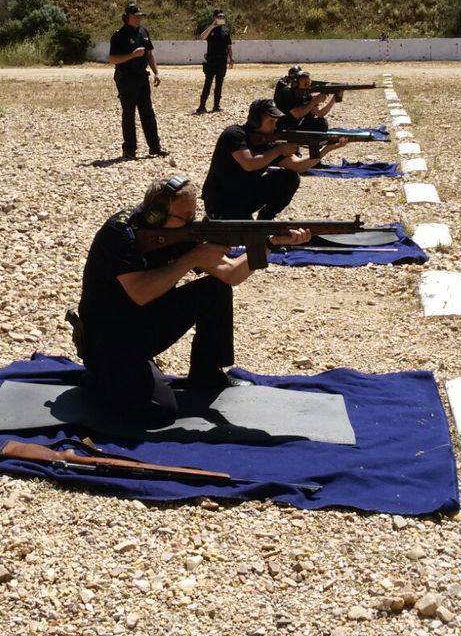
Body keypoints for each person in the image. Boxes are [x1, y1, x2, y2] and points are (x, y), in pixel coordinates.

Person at [76, 175, 308, 422]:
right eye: (185, 218)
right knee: (159, 412)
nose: (192, 223)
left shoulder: (179, 232)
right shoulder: (121, 233)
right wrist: (193, 258)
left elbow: (230, 274)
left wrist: (269, 244)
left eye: (193, 216)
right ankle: (101, 375)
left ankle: (207, 374)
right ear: (156, 215)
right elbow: (140, 293)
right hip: (108, 338)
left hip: (142, 324)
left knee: (214, 289)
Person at [202, 97, 346, 219]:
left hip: (244, 197)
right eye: (270, 121)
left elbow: (299, 166)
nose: (274, 127)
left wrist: (326, 149)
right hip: (220, 201)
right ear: (255, 121)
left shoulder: (268, 144)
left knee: (290, 178)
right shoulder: (234, 134)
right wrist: (279, 149)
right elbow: (249, 163)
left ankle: (264, 221)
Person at [108, 2, 167, 160]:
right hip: (126, 78)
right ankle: (129, 150)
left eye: (140, 16)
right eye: (136, 16)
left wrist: (156, 72)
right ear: (127, 18)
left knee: (148, 113)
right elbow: (112, 59)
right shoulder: (119, 35)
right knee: (129, 114)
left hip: (142, 77)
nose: (139, 19)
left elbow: (149, 54)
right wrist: (132, 55)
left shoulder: (143, 31)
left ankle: (155, 147)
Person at [273, 67, 338, 159]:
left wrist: (333, 99)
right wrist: (314, 101)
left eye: (308, 83)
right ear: (295, 82)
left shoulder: (303, 92)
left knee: (320, 123)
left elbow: (319, 113)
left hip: (296, 125)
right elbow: (296, 114)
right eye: (305, 84)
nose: (308, 86)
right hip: (284, 127)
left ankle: (314, 159)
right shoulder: (286, 92)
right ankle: (293, 153)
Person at [196, 8, 233, 114]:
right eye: (219, 16)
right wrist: (212, 26)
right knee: (207, 83)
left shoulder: (226, 30)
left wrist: (231, 59)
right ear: (214, 17)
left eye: (222, 16)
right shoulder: (210, 29)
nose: (221, 18)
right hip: (211, 60)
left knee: (219, 84)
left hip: (222, 60)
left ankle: (216, 106)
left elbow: (229, 46)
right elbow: (202, 37)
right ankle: (202, 106)